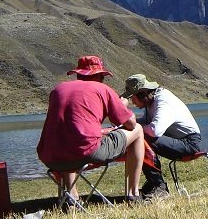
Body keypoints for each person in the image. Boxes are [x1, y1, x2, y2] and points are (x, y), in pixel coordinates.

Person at [37, 55, 145, 202]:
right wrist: (121, 105)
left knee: (69, 138)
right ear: (99, 75)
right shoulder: (102, 89)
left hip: (49, 157)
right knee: (138, 130)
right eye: (102, 77)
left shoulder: (58, 89)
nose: (102, 80)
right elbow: (130, 124)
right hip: (83, 154)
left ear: (78, 74)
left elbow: (71, 124)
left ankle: (71, 197)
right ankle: (133, 194)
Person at [121, 73, 202, 199]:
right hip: (177, 140)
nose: (132, 102)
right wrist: (128, 124)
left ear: (141, 93)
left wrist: (135, 129)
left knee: (141, 138)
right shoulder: (150, 101)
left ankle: (158, 186)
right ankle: (153, 183)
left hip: (189, 143)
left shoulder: (163, 100)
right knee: (140, 136)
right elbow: (146, 123)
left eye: (132, 97)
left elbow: (155, 130)